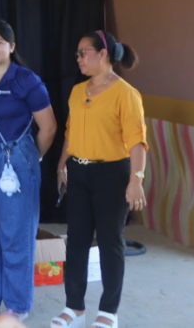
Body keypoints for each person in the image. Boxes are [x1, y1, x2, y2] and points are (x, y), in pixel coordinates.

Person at [0, 21, 57, 322]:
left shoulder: (26, 80)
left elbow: (49, 127)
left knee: (16, 234)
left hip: (15, 159)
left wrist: (28, 160)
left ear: (12, 47)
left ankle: (16, 304)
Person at [52, 31, 146, 328]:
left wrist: (136, 180)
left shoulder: (126, 94)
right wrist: (61, 165)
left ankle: (108, 311)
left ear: (103, 54)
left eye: (84, 52)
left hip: (112, 175)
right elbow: (70, 132)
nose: (79, 58)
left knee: (110, 241)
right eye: (77, 53)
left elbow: (137, 142)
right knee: (77, 241)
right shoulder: (78, 91)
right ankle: (74, 308)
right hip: (79, 172)